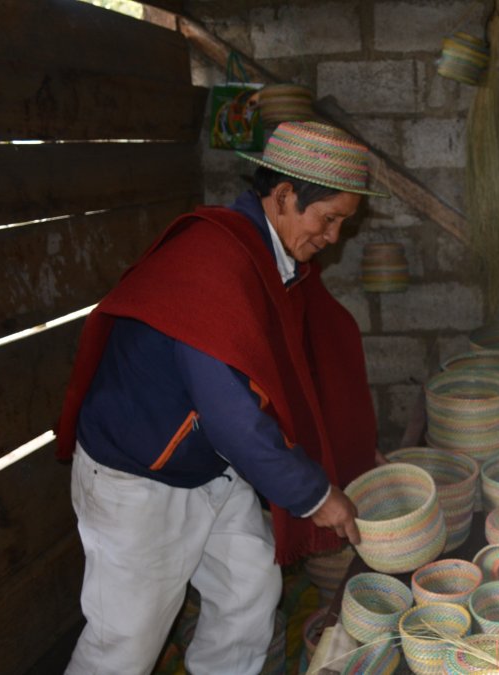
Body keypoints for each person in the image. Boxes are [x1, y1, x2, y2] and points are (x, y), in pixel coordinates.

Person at [55, 121, 386, 674]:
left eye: (342, 224)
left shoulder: (272, 261)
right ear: (285, 196)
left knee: (248, 590)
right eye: (329, 219)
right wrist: (315, 495)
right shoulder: (213, 265)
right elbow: (230, 412)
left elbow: (303, 369)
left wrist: (350, 452)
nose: (333, 238)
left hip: (207, 460)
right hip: (139, 474)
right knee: (127, 642)